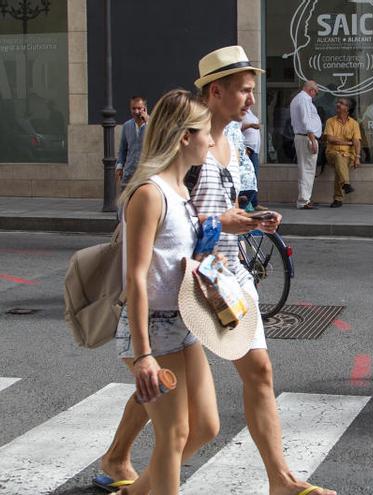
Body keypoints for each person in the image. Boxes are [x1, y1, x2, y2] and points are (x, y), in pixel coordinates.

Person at [98, 46, 336, 495]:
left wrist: (249, 218)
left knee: (210, 403)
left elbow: (217, 211)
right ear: (215, 91)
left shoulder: (237, 145)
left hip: (223, 277)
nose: (252, 99)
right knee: (172, 412)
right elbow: (166, 231)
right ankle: (122, 462)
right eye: (245, 90)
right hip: (189, 285)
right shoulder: (188, 148)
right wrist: (142, 350)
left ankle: (276, 480)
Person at [112, 89, 219, 495]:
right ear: (183, 137)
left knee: (206, 426)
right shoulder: (148, 194)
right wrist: (143, 355)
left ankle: (135, 492)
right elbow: (135, 278)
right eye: (205, 132)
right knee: (174, 435)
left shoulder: (182, 193)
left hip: (184, 321)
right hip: (153, 329)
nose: (211, 140)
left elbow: (176, 258)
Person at [323, 97, 362, 207]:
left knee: (340, 166)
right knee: (338, 156)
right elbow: (330, 139)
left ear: (347, 108)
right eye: (338, 102)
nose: (338, 105)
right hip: (331, 153)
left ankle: (338, 199)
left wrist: (357, 157)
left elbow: (356, 142)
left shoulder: (354, 124)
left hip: (348, 155)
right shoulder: (330, 121)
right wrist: (348, 143)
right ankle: (346, 184)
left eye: (341, 103)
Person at [291, 80, 322, 209]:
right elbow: (306, 120)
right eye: (316, 92)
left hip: (304, 137)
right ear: (311, 90)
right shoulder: (304, 100)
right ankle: (304, 200)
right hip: (306, 137)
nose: (315, 95)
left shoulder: (299, 99)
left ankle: (305, 198)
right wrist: (312, 139)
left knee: (306, 169)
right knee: (307, 170)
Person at [116, 96, 149, 187]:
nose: (136, 111)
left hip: (146, 173)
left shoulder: (152, 124)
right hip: (129, 173)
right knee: (126, 200)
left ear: (145, 108)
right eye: (133, 108)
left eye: (139, 108)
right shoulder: (127, 126)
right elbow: (123, 149)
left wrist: (147, 122)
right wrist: (119, 166)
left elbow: (158, 142)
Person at [240, 107, 264, 210]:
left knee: (254, 176)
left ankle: (253, 203)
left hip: (254, 148)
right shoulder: (238, 112)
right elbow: (236, 128)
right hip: (247, 148)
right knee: (249, 176)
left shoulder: (250, 112)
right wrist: (249, 125)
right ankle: (246, 204)